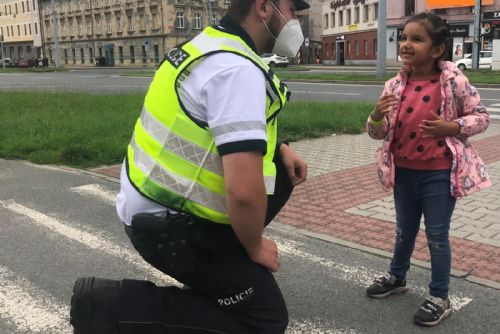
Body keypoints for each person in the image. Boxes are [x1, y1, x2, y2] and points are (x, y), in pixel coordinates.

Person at [69, 0, 309, 333]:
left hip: (150, 199)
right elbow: (243, 192)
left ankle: (216, 276)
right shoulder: (236, 69)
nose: (296, 18)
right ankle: (108, 307)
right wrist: (255, 247)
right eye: (293, 9)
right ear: (264, 8)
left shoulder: (209, 45)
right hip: (171, 224)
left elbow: (212, 120)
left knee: (280, 174)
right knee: (264, 319)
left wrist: (280, 147)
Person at [365, 12, 490, 327]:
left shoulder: (453, 81)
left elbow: (481, 116)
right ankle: (397, 276)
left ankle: (439, 295)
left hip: (439, 173)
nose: (406, 44)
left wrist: (452, 125)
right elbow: (377, 133)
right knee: (404, 230)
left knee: (436, 234)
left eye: (416, 39)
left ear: (437, 50)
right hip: (403, 173)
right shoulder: (393, 84)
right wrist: (376, 116)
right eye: (404, 38)